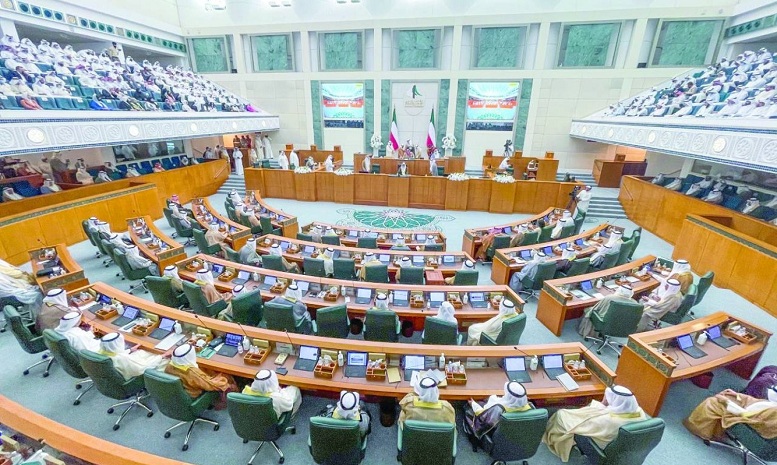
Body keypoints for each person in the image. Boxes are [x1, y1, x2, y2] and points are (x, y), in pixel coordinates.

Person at [543, 385, 647, 462]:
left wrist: (602, 403)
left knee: (561, 415)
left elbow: (580, 426)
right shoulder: (640, 413)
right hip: (622, 447)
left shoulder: (608, 421)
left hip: (601, 445)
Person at [684, 387, 777, 442]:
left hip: (745, 420)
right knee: (729, 396)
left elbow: (747, 416)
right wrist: (737, 395)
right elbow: (757, 403)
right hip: (748, 413)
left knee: (712, 402)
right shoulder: (774, 406)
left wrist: (726, 402)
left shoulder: (774, 413)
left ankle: (701, 431)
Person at [164, 343, 237, 399]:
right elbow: (212, 385)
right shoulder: (192, 373)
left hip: (180, 393)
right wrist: (224, 378)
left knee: (207, 369)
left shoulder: (170, 366)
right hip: (194, 394)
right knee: (227, 376)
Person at [465, 381, 532, 440]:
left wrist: (473, 404)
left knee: (467, 408)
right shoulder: (529, 406)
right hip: (515, 436)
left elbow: (483, 417)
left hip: (495, 433)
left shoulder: (499, 409)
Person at [96, 332, 166, 380]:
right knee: (164, 360)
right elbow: (143, 368)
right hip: (135, 377)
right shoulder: (122, 358)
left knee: (141, 352)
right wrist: (162, 356)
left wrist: (130, 350)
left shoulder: (101, 352)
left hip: (119, 373)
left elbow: (116, 354)